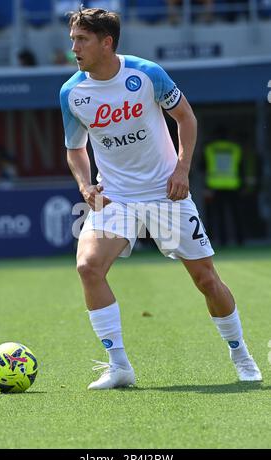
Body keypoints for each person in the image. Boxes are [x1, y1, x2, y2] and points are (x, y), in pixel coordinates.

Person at [60, 7, 262, 390]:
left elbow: (186, 118)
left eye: (81, 39)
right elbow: (75, 148)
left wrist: (182, 169)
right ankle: (119, 366)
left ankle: (241, 354)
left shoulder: (147, 73)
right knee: (88, 266)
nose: (74, 48)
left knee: (205, 279)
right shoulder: (72, 92)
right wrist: (85, 186)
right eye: (72, 39)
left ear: (107, 42)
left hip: (163, 193)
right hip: (116, 196)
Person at [202, 127, 245, 246]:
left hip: (215, 186)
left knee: (219, 216)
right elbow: (241, 168)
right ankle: (240, 240)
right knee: (236, 215)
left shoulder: (210, 148)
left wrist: (206, 187)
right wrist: (242, 185)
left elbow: (203, 168)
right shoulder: (235, 148)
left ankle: (222, 241)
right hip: (233, 185)